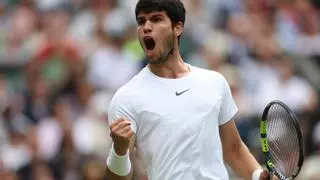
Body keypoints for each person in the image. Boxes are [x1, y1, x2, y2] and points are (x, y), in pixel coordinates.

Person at [106, 0, 270, 179]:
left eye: (156, 19)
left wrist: (256, 175)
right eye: (141, 21)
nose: (146, 27)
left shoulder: (214, 82)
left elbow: (233, 149)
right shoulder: (126, 97)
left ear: (178, 28)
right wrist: (119, 151)